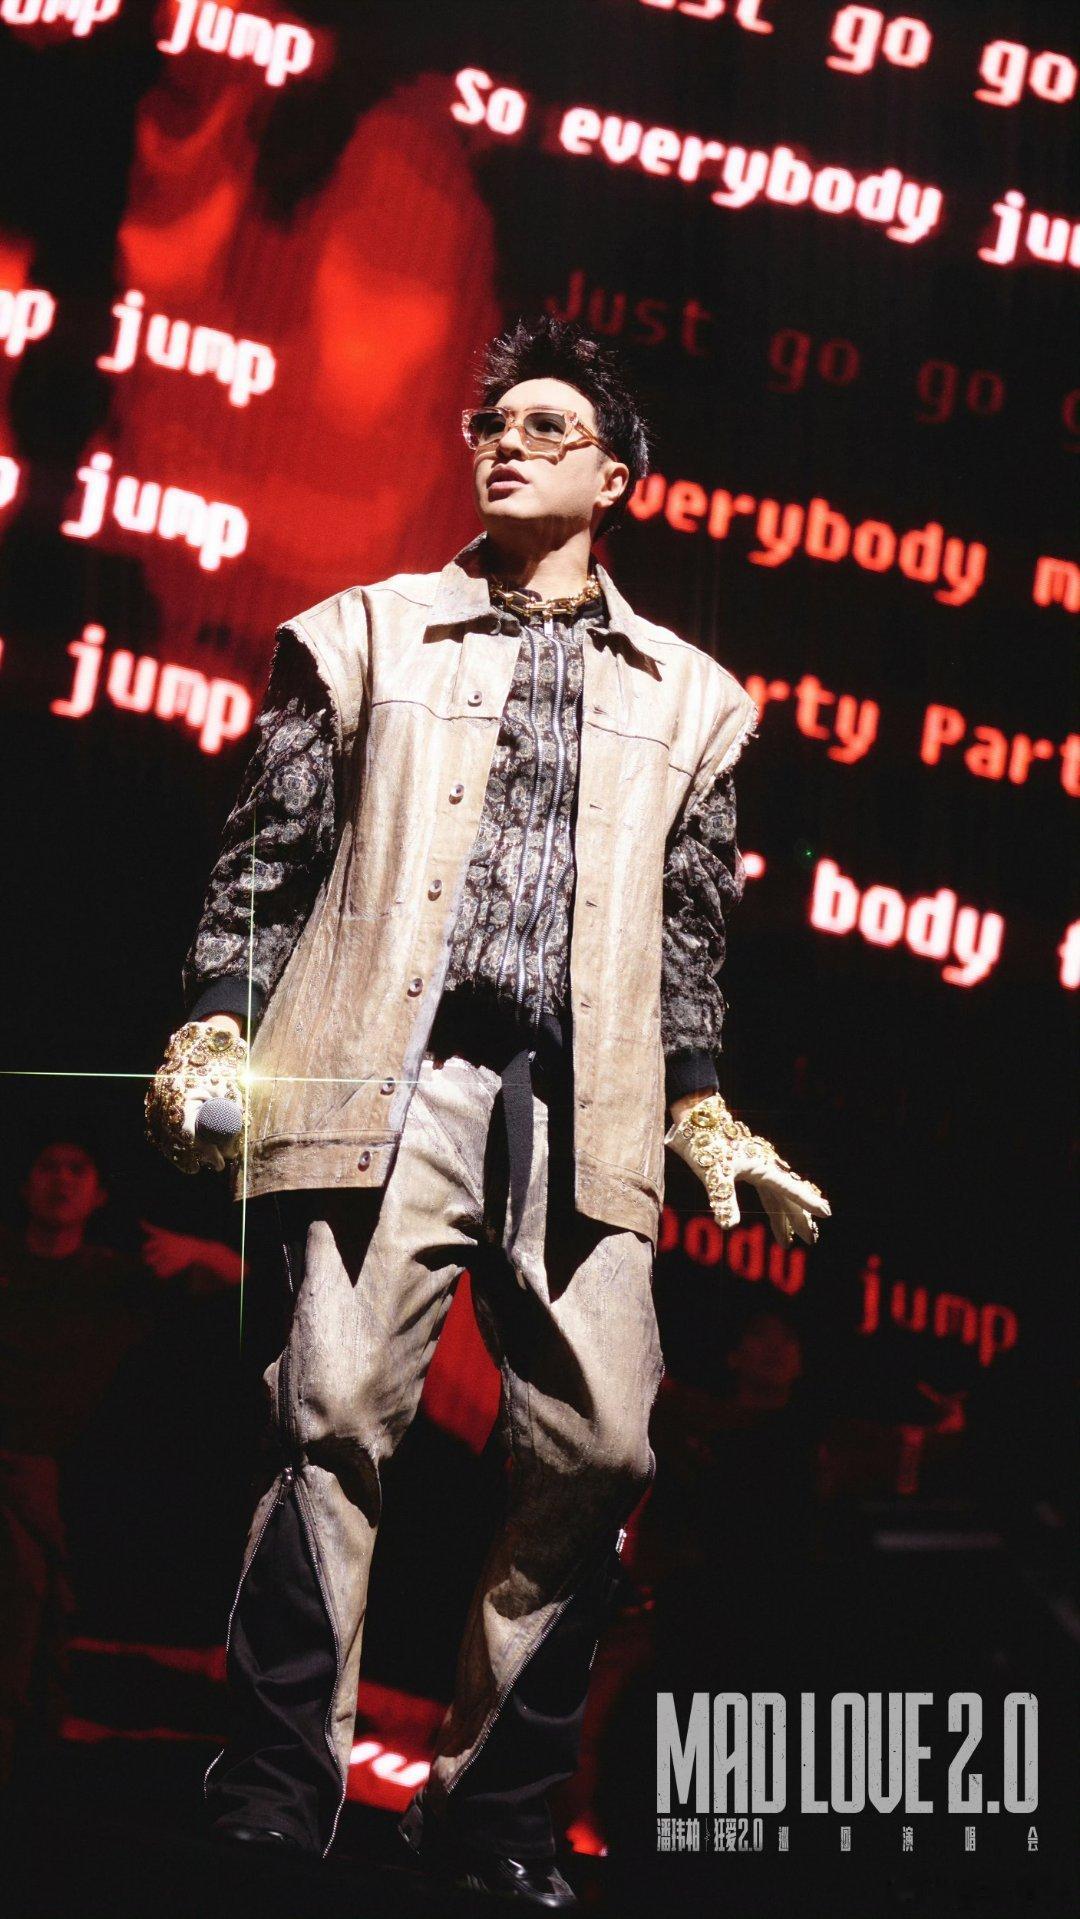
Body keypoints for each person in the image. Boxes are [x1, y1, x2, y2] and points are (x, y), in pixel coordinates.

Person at [146, 315, 831, 1908]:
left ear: (618, 477)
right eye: (489, 425)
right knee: (330, 1411)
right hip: (383, 1067)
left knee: (602, 1442)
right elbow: (266, 852)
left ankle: (493, 1810)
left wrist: (704, 1110)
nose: (504, 445)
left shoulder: (697, 698)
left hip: (584, 1100)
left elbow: (688, 933)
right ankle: (275, 1784)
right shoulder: (361, 633)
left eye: (544, 427)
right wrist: (215, 1014)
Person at [0, 1137, 244, 1791]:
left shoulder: (111, 1277)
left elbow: (245, 1279)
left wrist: (199, 1251)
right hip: (17, 1471)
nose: (60, 1180)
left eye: (76, 1170)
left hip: (52, 1475)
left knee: (41, 1613)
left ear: (98, 1193)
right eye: (47, 1167)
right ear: (24, 1185)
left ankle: (31, 1770)